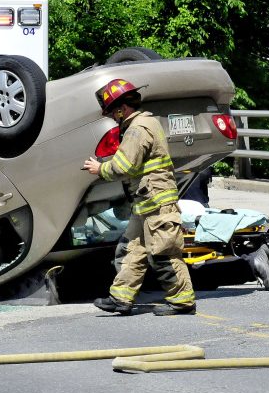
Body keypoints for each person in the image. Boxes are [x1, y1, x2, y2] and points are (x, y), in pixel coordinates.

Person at [83, 79, 196, 316]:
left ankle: (182, 301)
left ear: (122, 109)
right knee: (130, 250)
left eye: (113, 113)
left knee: (163, 254)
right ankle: (121, 299)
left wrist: (100, 168)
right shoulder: (146, 123)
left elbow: (125, 166)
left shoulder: (137, 129)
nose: (113, 118)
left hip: (157, 205)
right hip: (145, 204)